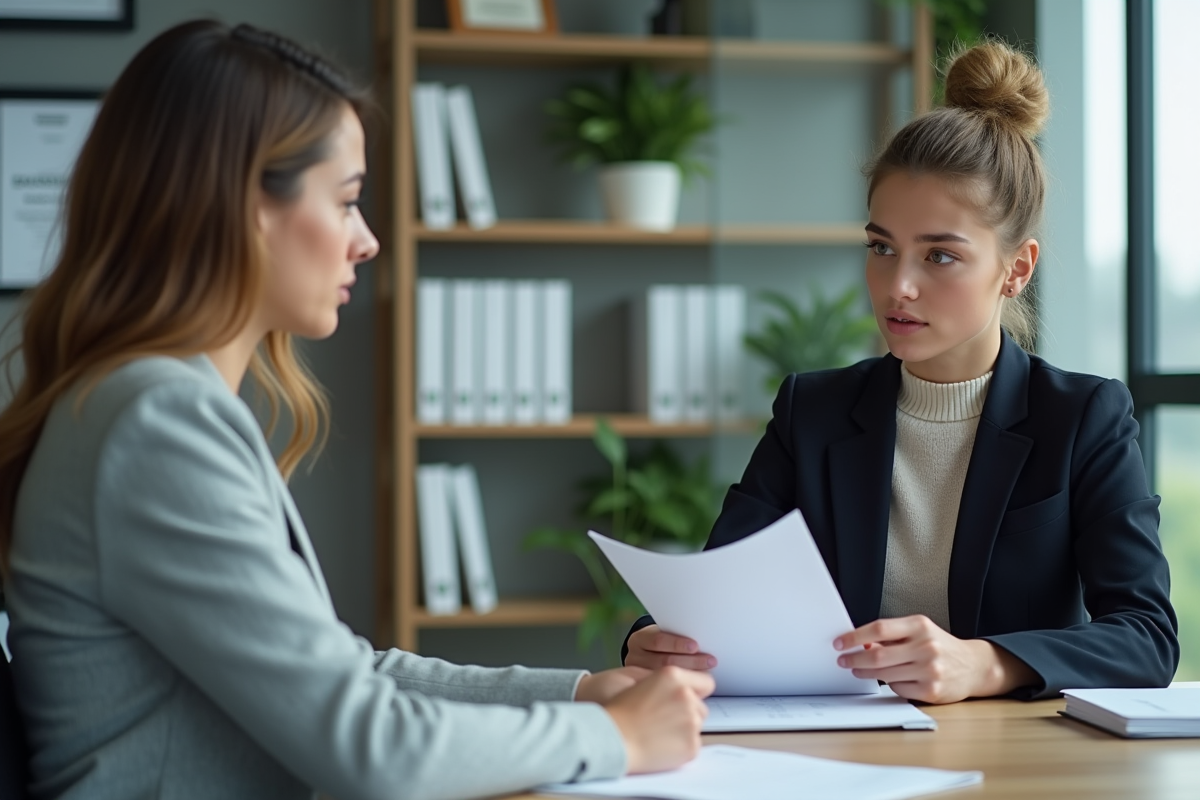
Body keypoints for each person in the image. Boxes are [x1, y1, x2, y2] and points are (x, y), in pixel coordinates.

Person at [0, 20, 713, 800]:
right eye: (344, 201)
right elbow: (373, 749)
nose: (367, 240)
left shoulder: (142, 404)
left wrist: (579, 694)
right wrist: (616, 737)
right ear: (243, 205)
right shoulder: (155, 424)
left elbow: (343, 677)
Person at [624, 39, 1178, 704]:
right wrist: (654, 639)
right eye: (882, 247)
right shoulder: (813, 412)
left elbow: (1147, 638)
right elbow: (717, 595)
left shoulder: (1083, 418)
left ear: (1016, 269)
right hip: (845, 744)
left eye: (939, 256)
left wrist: (987, 663)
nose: (898, 287)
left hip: (1009, 748)